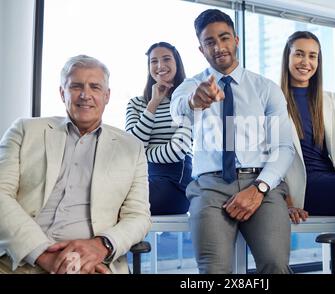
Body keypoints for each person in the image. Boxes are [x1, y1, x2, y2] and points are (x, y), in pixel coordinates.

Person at [0, 55, 151, 274]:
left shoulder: (131, 148)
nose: (85, 95)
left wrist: (102, 246)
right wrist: (42, 254)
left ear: (107, 96)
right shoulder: (24, 130)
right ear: (62, 92)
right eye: (76, 86)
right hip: (20, 260)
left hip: (94, 266)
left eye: (95, 87)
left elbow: (138, 216)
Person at [170, 9, 295, 274]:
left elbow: (284, 148)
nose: (218, 47)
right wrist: (196, 100)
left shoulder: (265, 88)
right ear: (201, 49)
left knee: (275, 264)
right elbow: (178, 108)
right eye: (210, 42)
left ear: (236, 40)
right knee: (213, 271)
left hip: (261, 182)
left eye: (224, 38)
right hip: (210, 186)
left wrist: (260, 188)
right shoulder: (191, 86)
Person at [281, 31, 335, 223]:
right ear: (287, 56)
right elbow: (265, 156)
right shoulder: (273, 99)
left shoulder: (329, 100)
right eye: (299, 54)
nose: (305, 62)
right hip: (302, 186)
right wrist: (283, 198)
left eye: (312, 56)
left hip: (333, 176)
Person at [126, 42, 192, 215]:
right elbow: (131, 148)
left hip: (175, 182)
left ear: (177, 63)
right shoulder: (136, 103)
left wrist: (144, 151)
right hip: (140, 178)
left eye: (166, 59)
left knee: (123, 204)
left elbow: (177, 152)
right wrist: (153, 104)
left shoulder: (186, 102)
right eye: (153, 61)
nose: (160, 65)